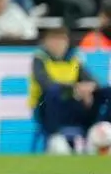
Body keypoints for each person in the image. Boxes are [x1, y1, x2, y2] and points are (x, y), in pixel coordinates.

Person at [31, 24, 111, 154]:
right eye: (54, 40)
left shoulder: (73, 59)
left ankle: (101, 128)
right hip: (46, 108)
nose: (58, 44)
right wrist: (74, 88)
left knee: (106, 91)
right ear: (46, 42)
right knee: (53, 92)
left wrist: (90, 88)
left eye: (61, 40)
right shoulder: (40, 59)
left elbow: (91, 80)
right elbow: (45, 84)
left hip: (72, 104)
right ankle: (55, 136)